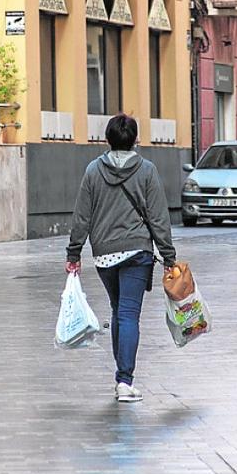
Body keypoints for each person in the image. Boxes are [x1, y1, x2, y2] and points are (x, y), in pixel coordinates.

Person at [66, 113, 176, 403]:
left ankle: (121, 376)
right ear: (136, 140)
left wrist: (74, 252)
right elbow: (158, 217)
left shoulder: (93, 170)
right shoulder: (147, 171)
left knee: (118, 311)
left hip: (104, 254)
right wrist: (168, 254)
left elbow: (82, 216)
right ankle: (124, 381)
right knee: (128, 314)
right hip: (138, 251)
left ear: (107, 139)